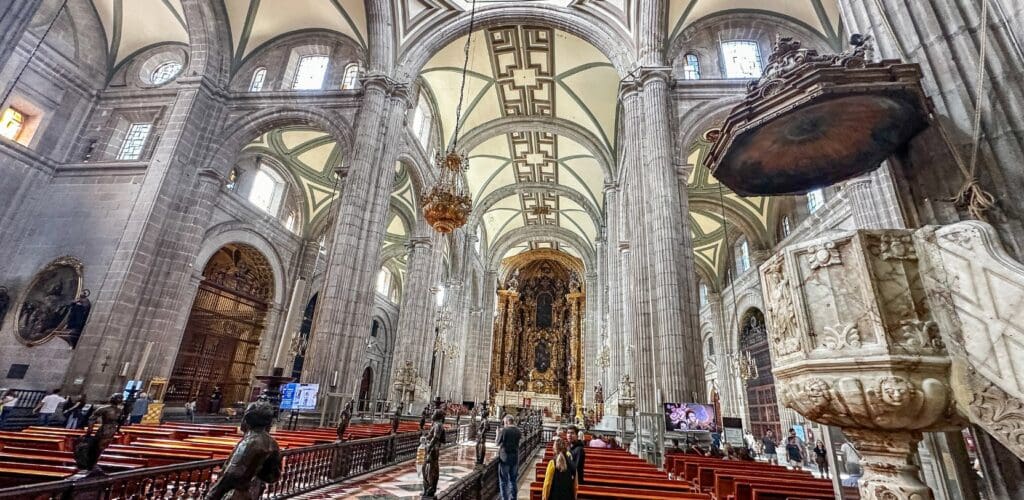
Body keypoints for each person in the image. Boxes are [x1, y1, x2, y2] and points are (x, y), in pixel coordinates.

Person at [496, 414, 522, 500]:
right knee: (513, 480)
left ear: (507, 421)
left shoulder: (504, 430)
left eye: (504, 422)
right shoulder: (518, 431)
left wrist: (497, 434)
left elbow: (497, 443)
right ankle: (513, 498)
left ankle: (505, 498)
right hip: (514, 458)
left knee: (503, 481)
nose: (504, 424)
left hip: (505, 458)